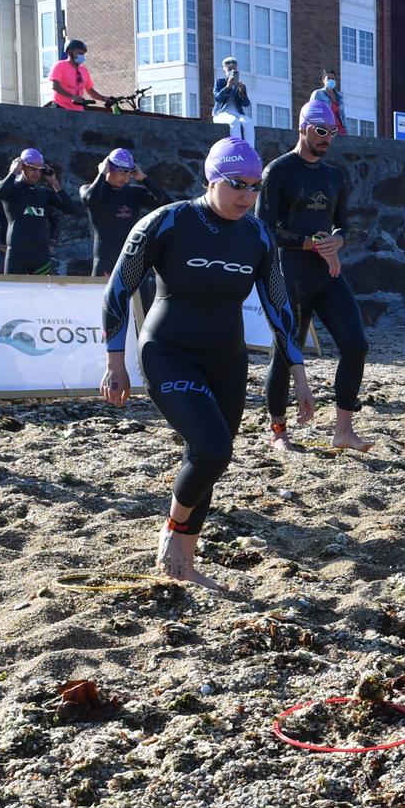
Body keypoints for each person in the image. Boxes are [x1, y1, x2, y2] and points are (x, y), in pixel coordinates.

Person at [100, 137, 312, 589]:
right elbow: (119, 289)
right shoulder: (169, 221)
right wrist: (115, 361)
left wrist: (299, 372)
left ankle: (186, 558)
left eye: (254, 187)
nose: (246, 196)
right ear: (211, 178)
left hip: (226, 360)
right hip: (168, 352)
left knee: (208, 458)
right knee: (213, 447)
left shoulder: (256, 234)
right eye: (236, 184)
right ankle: (174, 532)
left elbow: (279, 305)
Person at [260, 100, 370, 452]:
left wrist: (337, 240)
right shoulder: (278, 171)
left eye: (332, 133)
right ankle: (278, 431)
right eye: (321, 132)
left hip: (326, 273)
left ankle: (343, 430)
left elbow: (344, 225)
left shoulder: (334, 175)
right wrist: (308, 244)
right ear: (303, 128)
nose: (327, 139)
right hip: (288, 274)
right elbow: (264, 228)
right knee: (285, 352)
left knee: (356, 344)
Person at [0, 148, 81, 274]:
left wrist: (54, 182)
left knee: (41, 293)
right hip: (16, 253)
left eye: (40, 169)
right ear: (22, 166)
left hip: (41, 256)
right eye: (32, 168)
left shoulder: (44, 193)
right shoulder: (10, 189)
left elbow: (71, 209)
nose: (36, 173)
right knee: (13, 293)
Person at [80, 148, 163, 277]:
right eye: (123, 174)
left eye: (130, 174)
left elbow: (166, 204)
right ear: (109, 169)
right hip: (105, 263)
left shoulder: (135, 193)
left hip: (133, 262)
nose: (127, 179)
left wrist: (144, 178)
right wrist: (101, 174)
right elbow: (90, 200)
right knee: (101, 298)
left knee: (143, 298)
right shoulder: (89, 190)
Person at [49, 40, 98, 111]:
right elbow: (56, 87)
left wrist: (104, 98)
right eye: (79, 53)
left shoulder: (84, 70)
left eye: (83, 54)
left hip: (78, 110)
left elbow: (90, 90)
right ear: (69, 51)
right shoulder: (59, 66)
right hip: (61, 108)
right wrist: (72, 97)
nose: (82, 56)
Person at [213, 57, 253, 137]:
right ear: (225, 70)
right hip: (222, 112)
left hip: (237, 113)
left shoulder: (239, 85)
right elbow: (217, 98)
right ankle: (236, 147)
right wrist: (227, 87)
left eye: (234, 69)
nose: (232, 72)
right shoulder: (220, 82)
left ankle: (250, 148)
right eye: (229, 69)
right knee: (234, 121)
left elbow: (246, 104)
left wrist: (242, 91)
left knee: (248, 122)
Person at [309, 71, 347, 135]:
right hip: (325, 128)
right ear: (323, 80)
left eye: (333, 78)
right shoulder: (318, 93)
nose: (331, 80)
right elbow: (311, 112)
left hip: (340, 129)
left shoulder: (340, 96)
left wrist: (346, 129)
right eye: (328, 78)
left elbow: (343, 114)